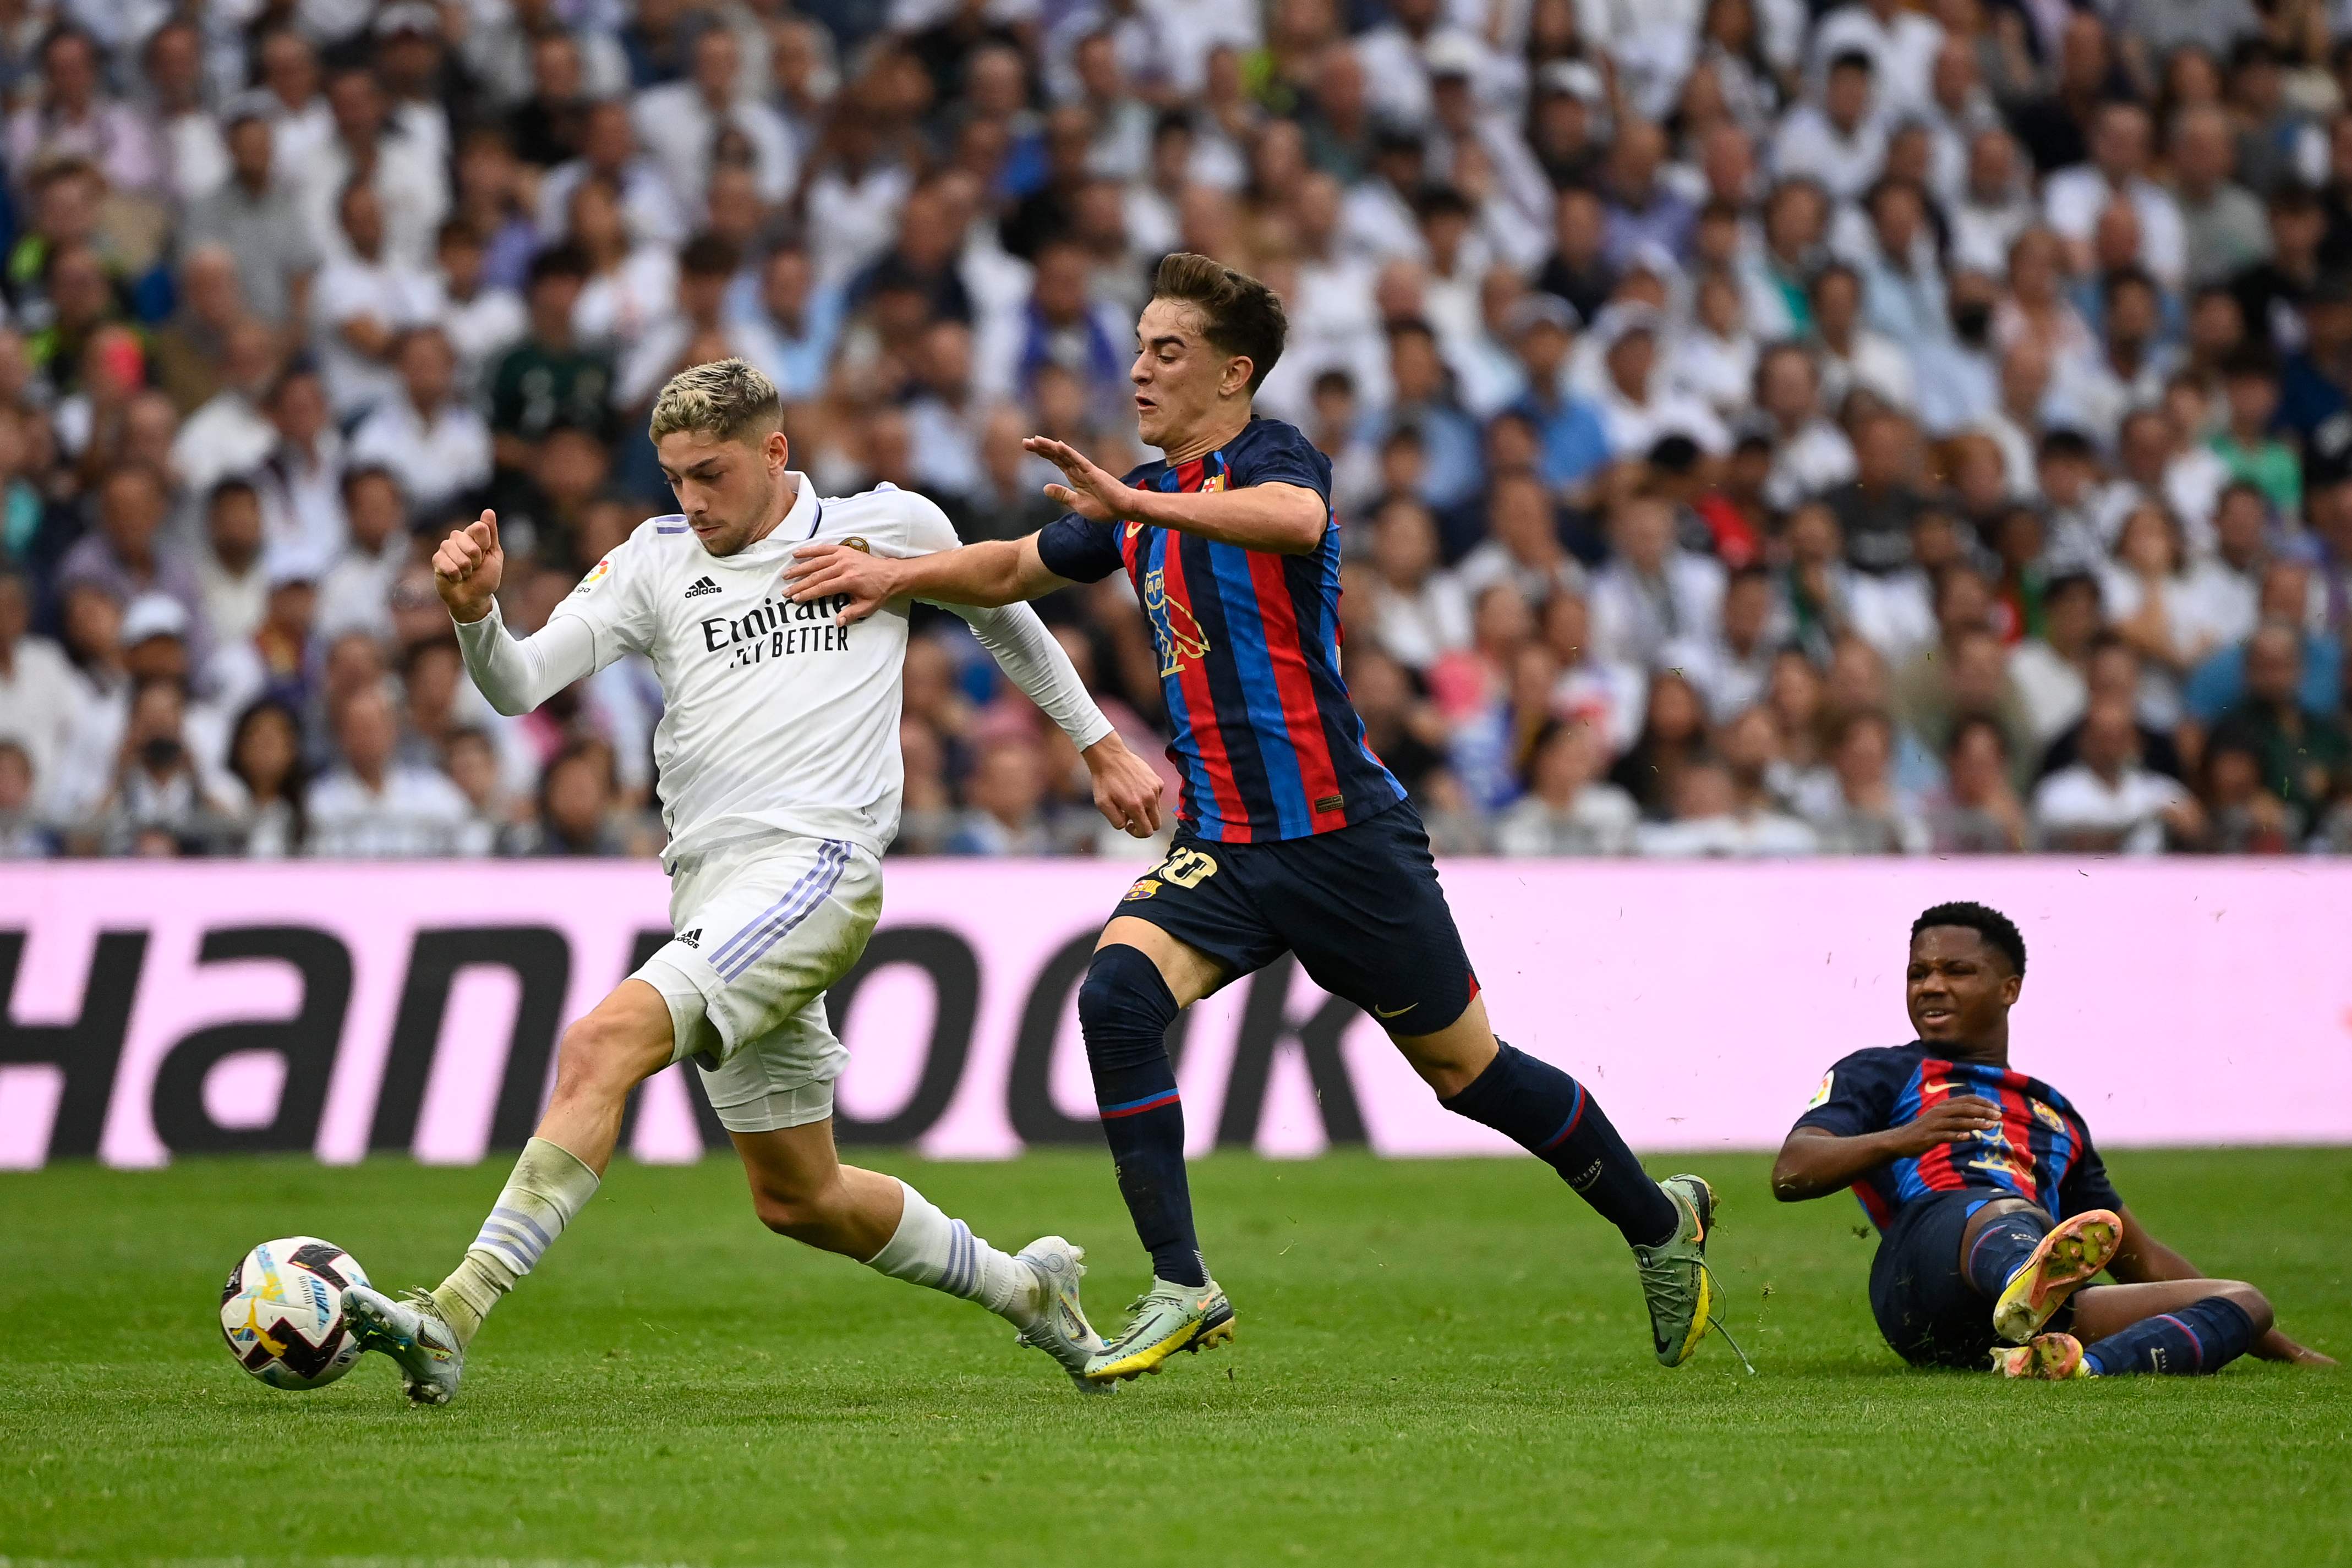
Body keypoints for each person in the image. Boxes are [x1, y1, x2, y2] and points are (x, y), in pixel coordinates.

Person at [785, 253, 1727, 1384]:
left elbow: (1296, 518)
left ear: (1233, 375)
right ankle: (1182, 1283)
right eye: (1137, 346)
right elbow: (1011, 566)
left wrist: (1135, 499)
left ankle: (1655, 1220)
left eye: (1167, 351)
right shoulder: (1135, 506)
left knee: (1468, 1074)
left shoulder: (1268, 459)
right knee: (1115, 997)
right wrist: (897, 576)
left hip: (1342, 840)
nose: (1138, 368)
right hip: (1225, 846)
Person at [337, 359, 1164, 1407]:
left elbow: (1002, 611)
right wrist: (473, 615)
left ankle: (452, 1315)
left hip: (819, 864)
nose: (690, 500)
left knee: (599, 1044)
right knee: (800, 1198)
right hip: (714, 890)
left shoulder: (888, 525)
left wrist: (1098, 746)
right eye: (674, 477)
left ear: (775, 453)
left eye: (710, 474)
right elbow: (517, 685)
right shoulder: (652, 561)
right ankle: (1030, 1293)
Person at [1772, 902, 2331, 1378]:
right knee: (2001, 1208)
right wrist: (1902, 1140)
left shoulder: (2054, 1116)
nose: (1931, 985)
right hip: (1921, 1282)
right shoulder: (1879, 1072)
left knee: (2244, 1301)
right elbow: (1791, 1171)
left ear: (2008, 988)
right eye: (1918, 973)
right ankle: (2025, 1278)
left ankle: (2074, 1362)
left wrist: (2281, 1348)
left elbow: (2141, 1259)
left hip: (1999, 1330)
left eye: (1956, 971)